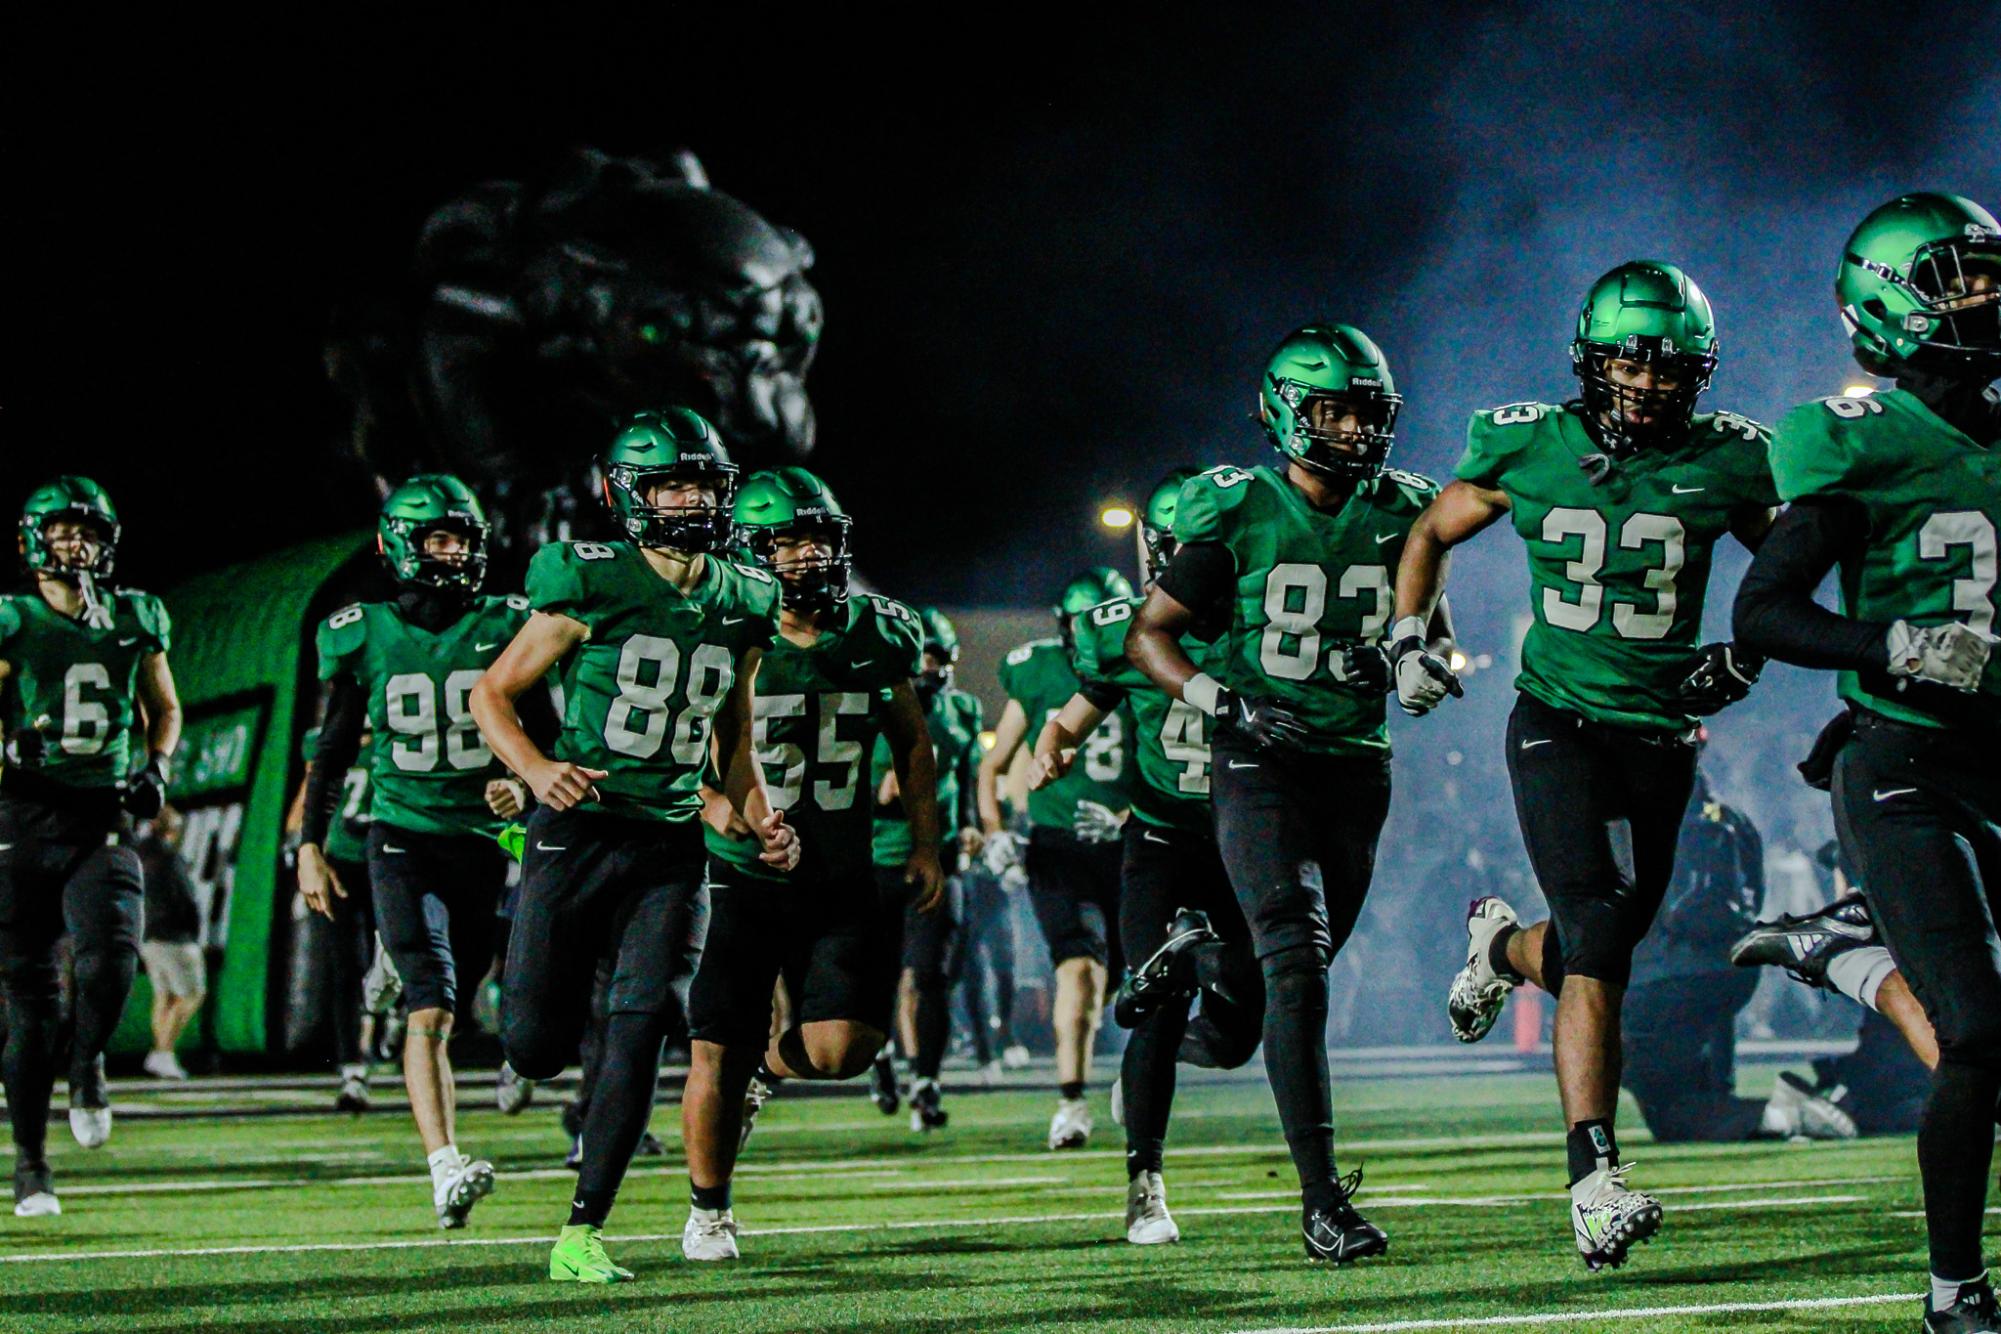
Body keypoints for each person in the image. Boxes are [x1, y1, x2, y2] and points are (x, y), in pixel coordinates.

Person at [1397, 263, 1775, 1270]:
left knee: (1604, 940)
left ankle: (1504, 950)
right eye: (1629, 360)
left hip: (1660, 732)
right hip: (1556, 719)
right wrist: (1410, 637)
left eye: (1668, 366)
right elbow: (1429, 530)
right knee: (1604, 929)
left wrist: (1749, 647)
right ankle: (1593, 1178)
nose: (1648, 383)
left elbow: (1791, 561)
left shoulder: (1734, 458)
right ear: (1590, 358)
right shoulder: (1528, 440)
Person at [1730, 192, 2001, 1332]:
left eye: (1987, 275)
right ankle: (1953, 1290)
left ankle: (1844, 946)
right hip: (1904, 763)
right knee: (1983, 1032)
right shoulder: (1859, 433)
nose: (1985, 296)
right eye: (1957, 282)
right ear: (1891, 307)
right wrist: (1892, 643)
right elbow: (1765, 610)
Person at [1128, 323, 1447, 1264]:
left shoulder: (1407, 509)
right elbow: (1149, 637)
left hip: (1356, 765)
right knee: (1297, 960)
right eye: (1333, 411)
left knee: (1254, 1011)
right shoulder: (1238, 508)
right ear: (1284, 414)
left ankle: (1197, 958)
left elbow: (1424, 619)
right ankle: (1320, 1202)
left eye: (1364, 412)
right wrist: (1224, 703)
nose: (1352, 430)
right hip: (1261, 756)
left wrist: (1419, 659)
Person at [469, 407, 797, 1284]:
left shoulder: (743, 594)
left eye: (703, 483)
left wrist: (749, 812)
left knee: (645, 1023)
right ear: (628, 496)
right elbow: (493, 694)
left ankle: (583, 1228)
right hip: (576, 829)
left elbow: (734, 731)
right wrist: (537, 769)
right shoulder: (591, 579)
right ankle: (538, 1029)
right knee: (533, 1042)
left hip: (668, 841)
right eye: (671, 486)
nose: (691, 500)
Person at [682, 465, 941, 1259]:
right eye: (787, 543)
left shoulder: (876, 631)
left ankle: (762, 1073)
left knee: (841, 1052)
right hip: (744, 869)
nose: (806, 559)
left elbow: (913, 740)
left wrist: (926, 842)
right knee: (714, 1047)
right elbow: (677, 747)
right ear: (752, 553)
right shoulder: (721, 632)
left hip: (840, 865)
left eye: (817, 540)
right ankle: (709, 1212)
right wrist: (720, 809)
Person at [298, 475, 539, 1230]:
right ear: (400, 544)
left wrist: (520, 783)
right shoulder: (359, 630)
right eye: (438, 538)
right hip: (400, 835)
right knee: (430, 1004)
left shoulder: (509, 621)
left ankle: (392, 962)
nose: (453, 552)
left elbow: (549, 733)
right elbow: (333, 753)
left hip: (479, 840)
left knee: (458, 1000)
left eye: (462, 539)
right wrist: (309, 845)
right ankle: (445, 1165)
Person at [1032, 465, 1263, 1246]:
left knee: (1236, 1036)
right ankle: (1144, 1187)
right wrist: (1050, 747)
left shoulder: (1264, 617)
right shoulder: (1130, 631)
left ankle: (1178, 979)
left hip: (1244, 840)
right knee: (1154, 1015)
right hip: (1162, 838)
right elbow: (1069, 717)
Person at [0, 476, 180, 1219]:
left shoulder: (135, 615)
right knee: (31, 1006)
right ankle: (32, 1164)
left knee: (112, 959)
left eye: (88, 531)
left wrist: (158, 766)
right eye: (63, 531)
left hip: (98, 817)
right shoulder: (12, 620)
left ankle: (89, 1059)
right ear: (32, 541)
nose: (77, 544)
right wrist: (11, 749)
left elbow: (162, 707)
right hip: (21, 818)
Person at [979, 566, 1135, 1150]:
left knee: (1135, 979)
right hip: (1059, 849)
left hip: (1131, 846)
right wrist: (995, 830)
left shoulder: (1145, 660)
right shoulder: (1040, 669)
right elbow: (992, 766)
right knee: (1079, 970)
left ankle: (1136, 1073)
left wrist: (1128, 818)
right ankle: (1071, 1101)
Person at [867, 606, 984, 1129]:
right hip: (877, 857)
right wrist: (879, 795)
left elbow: (967, 779)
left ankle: (927, 1081)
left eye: (936, 656)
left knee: (930, 975)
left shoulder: (962, 711)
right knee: (878, 977)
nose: (930, 666)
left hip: (937, 863)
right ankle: (879, 1056)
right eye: (922, 656)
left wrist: (973, 825)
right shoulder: (870, 703)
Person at [287, 731, 378, 1111]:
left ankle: (382, 1032)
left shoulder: (399, 732)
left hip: (390, 860)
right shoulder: (325, 742)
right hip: (338, 863)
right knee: (346, 968)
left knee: (391, 963)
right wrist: (303, 856)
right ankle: (353, 1065)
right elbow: (304, 803)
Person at [137, 806, 204, 1081]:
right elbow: (186, 899)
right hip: (174, 936)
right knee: (191, 994)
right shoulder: (169, 858)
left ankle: (161, 1053)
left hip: (148, 936)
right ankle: (163, 1053)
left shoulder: (138, 855)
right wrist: (193, 930)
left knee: (164, 996)